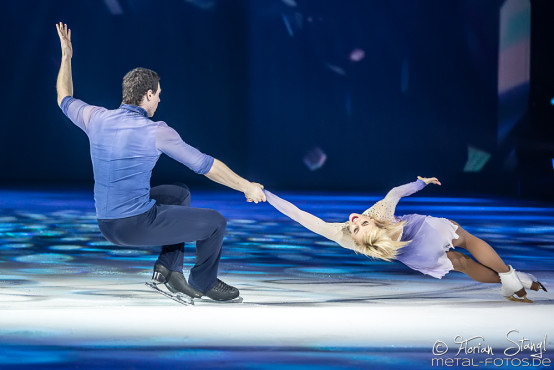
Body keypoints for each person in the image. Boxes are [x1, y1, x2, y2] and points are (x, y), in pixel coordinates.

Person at [55, 22, 266, 302]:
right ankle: (204, 283)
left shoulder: (96, 117)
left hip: (106, 223)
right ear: (148, 94)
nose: (159, 101)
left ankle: (168, 269)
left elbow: (63, 96)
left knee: (178, 193)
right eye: (159, 95)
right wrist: (246, 187)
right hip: (134, 224)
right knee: (216, 222)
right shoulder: (157, 131)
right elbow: (205, 165)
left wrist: (66, 57)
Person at [264, 176, 546, 302]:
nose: (356, 219)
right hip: (426, 231)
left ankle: (512, 284)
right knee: (467, 241)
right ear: (367, 233)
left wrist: (266, 196)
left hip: (414, 255)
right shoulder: (378, 213)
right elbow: (396, 192)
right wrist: (421, 182)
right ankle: (510, 275)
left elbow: (299, 215)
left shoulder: (343, 237)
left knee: (461, 264)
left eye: (360, 222)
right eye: (361, 223)